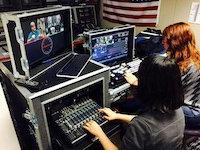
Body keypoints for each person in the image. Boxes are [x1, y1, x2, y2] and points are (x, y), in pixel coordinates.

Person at [84, 56, 185, 150]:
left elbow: (144, 126)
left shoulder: (140, 126)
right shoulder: (178, 110)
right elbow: (151, 124)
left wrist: (99, 133)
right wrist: (117, 115)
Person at [162, 22, 200, 129]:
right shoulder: (193, 56)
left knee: (155, 105)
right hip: (193, 107)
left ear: (176, 42)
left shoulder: (186, 66)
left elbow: (165, 93)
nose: (163, 41)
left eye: (165, 38)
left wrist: (137, 83)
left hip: (193, 113)